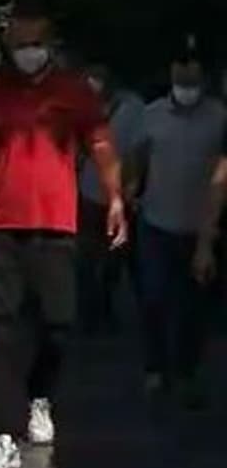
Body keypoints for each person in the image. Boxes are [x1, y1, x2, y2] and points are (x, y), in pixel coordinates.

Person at [0, 2, 127, 468]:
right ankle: (4, 434)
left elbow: (100, 144)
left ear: (51, 44)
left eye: (36, 43)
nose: (29, 52)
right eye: (20, 44)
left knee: (58, 322)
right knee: (0, 329)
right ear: (7, 46)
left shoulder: (73, 92)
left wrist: (115, 198)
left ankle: (39, 395)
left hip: (56, 226)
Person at [131, 48, 227, 408]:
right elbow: (137, 157)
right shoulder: (151, 115)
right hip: (157, 223)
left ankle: (187, 372)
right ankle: (155, 368)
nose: (187, 86)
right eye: (181, 79)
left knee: (193, 307)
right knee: (154, 298)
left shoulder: (219, 118)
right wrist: (130, 190)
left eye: (193, 79)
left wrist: (209, 236)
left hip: (200, 228)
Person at [77, 62, 145, 333]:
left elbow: (138, 153)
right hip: (89, 193)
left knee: (112, 257)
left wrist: (131, 189)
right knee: (88, 256)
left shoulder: (132, 109)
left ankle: (102, 305)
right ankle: (92, 310)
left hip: (118, 195)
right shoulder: (80, 107)